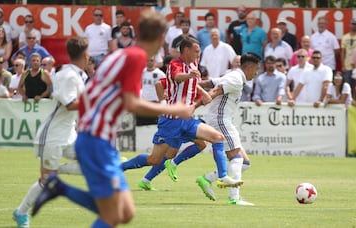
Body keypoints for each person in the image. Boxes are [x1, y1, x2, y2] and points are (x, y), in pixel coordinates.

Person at [31, 10, 196, 227]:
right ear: (162, 37)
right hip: (96, 139)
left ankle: (58, 187)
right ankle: (57, 186)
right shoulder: (137, 57)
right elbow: (131, 103)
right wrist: (174, 110)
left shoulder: (121, 54)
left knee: (125, 212)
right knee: (112, 215)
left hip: (95, 137)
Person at [121, 37, 243, 189]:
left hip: (187, 120)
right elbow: (178, 78)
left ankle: (222, 176)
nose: (198, 55)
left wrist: (201, 91)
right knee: (154, 159)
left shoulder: (193, 64)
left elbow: (190, 82)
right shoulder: (175, 64)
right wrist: (189, 77)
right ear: (186, 50)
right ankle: (121, 168)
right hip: (171, 121)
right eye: (196, 51)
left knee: (217, 138)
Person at [12, 37, 90, 228]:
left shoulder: (78, 75)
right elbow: (71, 104)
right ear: (85, 55)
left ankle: (57, 171)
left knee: (92, 163)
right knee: (46, 181)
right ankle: (21, 213)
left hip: (69, 134)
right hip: (53, 136)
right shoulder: (68, 75)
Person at [164, 53, 261, 205]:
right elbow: (214, 92)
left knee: (245, 163)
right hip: (221, 120)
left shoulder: (232, 75)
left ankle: (207, 179)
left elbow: (210, 83)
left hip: (220, 119)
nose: (256, 73)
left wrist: (190, 85)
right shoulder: (235, 79)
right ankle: (234, 198)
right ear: (249, 67)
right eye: (256, 69)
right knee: (236, 157)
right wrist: (194, 106)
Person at [341, 18, 356, 98]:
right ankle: (348, 104)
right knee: (347, 86)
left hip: (355, 67)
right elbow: (343, 51)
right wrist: (343, 65)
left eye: (355, 24)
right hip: (347, 66)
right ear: (349, 25)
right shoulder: (345, 37)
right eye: (352, 24)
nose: (354, 26)